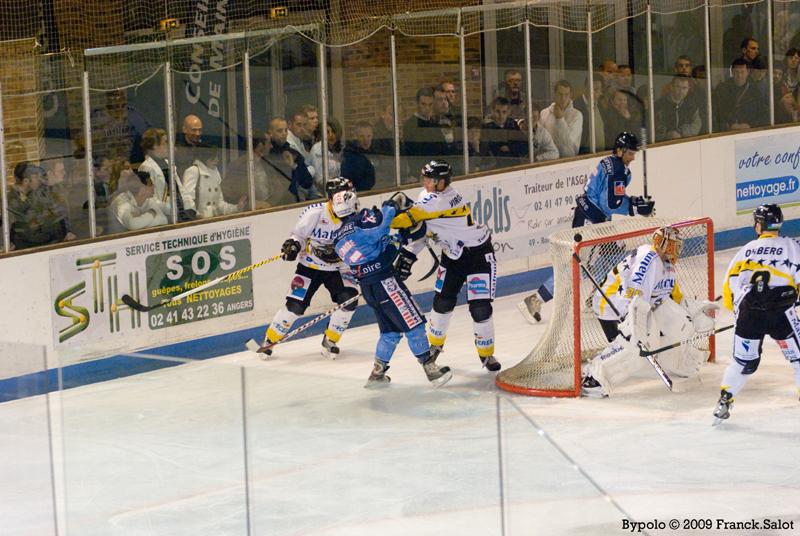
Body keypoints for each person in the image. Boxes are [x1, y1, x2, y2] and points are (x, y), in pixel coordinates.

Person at [518, 132, 655, 324]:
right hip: (590, 220)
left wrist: (634, 202)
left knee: (611, 254)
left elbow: (609, 200)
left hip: (595, 218)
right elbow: (610, 204)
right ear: (620, 150)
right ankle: (535, 300)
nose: (633, 157)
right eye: (630, 153)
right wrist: (635, 206)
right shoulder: (617, 170)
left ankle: (597, 297)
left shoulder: (611, 163)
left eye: (634, 153)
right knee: (573, 265)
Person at [331, 189, 453, 388]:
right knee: (414, 324)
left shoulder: (337, 239)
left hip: (369, 287)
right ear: (354, 205)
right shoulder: (361, 220)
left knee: (390, 332)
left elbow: (373, 247)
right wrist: (391, 205)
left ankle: (377, 374)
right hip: (385, 283)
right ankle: (431, 369)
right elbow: (379, 229)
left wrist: (399, 240)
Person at [580, 226, 718, 398]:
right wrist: (633, 324)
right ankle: (593, 377)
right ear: (663, 243)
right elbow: (635, 293)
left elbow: (672, 299)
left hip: (635, 304)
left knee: (666, 329)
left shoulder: (668, 267)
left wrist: (695, 309)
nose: (677, 249)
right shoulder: (649, 258)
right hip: (611, 303)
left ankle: (678, 362)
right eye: (674, 245)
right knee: (633, 346)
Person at [390, 160, 501, 372]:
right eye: (424, 179)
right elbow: (424, 231)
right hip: (452, 256)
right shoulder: (427, 198)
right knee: (442, 303)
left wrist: (383, 217)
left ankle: (487, 355)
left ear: (442, 182)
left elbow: (405, 221)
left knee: (480, 308)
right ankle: (435, 346)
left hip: (478, 255)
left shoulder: (446, 199)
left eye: (430, 180)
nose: (425, 183)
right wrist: (408, 256)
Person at [712, 204, 800, 424]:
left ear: (759, 225)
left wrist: (741, 314)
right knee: (798, 360)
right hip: (781, 312)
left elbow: (728, 286)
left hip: (750, 313)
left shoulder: (746, 249)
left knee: (743, 363)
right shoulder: (792, 246)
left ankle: (724, 400)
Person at [260, 178, 360, 359]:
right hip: (310, 267)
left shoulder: (353, 213)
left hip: (339, 268)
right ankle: (270, 340)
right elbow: (298, 235)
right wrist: (292, 246)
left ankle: (330, 341)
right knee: (295, 307)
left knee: (349, 301)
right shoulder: (315, 213)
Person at [7, 162, 75, 249]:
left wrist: (66, 232)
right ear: (26, 181)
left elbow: (57, 214)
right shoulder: (11, 202)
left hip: (49, 243)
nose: (39, 179)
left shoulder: (38, 193)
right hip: (28, 249)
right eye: (35, 177)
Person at [181, 145, 246, 219]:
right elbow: (187, 199)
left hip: (213, 221)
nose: (216, 160)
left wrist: (236, 208)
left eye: (217, 157)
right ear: (205, 157)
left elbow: (219, 203)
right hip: (197, 222)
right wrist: (197, 216)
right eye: (213, 157)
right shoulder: (193, 171)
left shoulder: (216, 173)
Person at [138, 127, 186, 221]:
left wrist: (188, 206)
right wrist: (172, 210)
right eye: (165, 142)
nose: (170, 146)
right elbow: (149, 200)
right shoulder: (145, 168)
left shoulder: (168, 164)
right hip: (160, 218)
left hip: (177, 214)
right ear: (155, 145)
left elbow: (180, 190)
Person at [266, 117, 315, 202]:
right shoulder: (266, 154)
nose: (284, 134)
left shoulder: (294, 154)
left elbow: (307, 182)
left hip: (291, 201)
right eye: (279, 131)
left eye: (286, 130)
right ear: (270, 133)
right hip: (271, 202)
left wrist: (294, 167)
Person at [714, 58, 767, 131]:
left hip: (749, 130)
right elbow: (717, 112)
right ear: (732, 72)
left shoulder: (755, 91)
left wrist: (750, 125)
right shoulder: (722, 89)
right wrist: (730, 124)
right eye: (737, 72)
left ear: (748, 72)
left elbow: (763, 114)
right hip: (727, 132)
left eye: (742, 72)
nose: (739, 75)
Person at [540, 80, 582, 158]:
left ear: (570, 95)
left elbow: (569, 148)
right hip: (546, 160)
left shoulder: (577, 115)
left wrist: (560, 119)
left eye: (566, 95)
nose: (563, 98)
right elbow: (540, 140)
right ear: (554, 95)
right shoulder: (544, 113)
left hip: (568, 161)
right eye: (560, 94)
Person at [654, 75, 701, 142]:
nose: (681, 91)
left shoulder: (692, 105)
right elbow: (653, 128)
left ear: (688, 89)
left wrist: (681, 132)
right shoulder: (658, 105)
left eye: (684, 88)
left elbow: (697, 125)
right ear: (671, 87)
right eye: (678, 87)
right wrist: (667, 135)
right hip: (663, 146)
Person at [310, 119, 344, 195]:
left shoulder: (341, 148)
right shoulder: (317, 149)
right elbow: (319, 179)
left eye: (334, 132)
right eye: (327, 132)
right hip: (321, 195)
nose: (331, 135)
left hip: (339, 192)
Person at [341, 121, 377, 192]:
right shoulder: (350, 157)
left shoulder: (375, 152)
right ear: (356, 136)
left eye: (368, 136)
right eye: (362, 136)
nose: (366, 140)